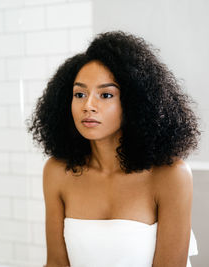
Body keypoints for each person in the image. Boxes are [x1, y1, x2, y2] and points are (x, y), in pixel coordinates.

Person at [26, 31, 200, 267]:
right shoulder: (57, 172)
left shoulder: (170, 175)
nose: (88, 106)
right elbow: (56, 263)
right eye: (80, 94)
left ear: (133, 103)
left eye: (105, 94)